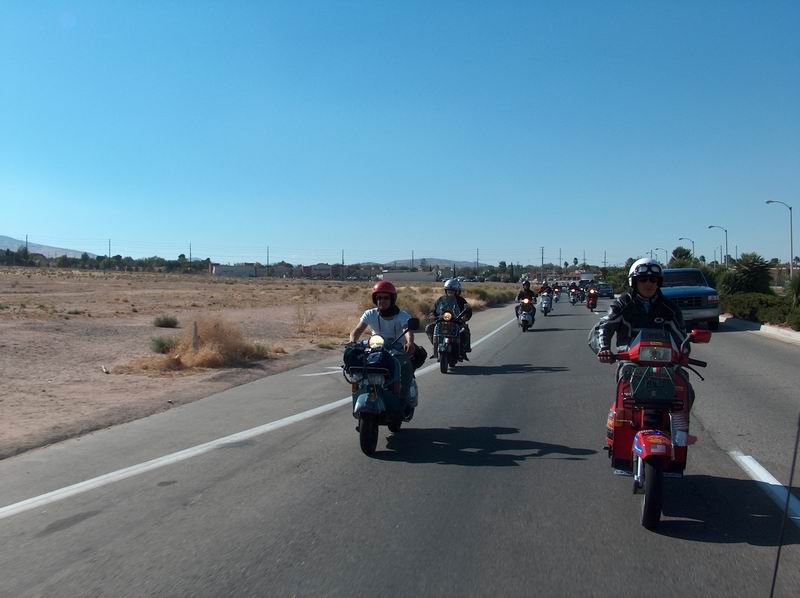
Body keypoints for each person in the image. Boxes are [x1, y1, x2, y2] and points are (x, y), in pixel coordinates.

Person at [588, 258, 694, 404]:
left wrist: (683, 352)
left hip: (665, 363)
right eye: (643, 279)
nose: (648, 284)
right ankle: (620, 417)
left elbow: (681, 337)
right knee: (625, 383)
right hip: (631, 361)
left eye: (653, 279)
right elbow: (604, 327)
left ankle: (680, 420)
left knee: (685, 387)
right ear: (634, 282)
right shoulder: (621, 305)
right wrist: (604, 349)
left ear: (658, 282)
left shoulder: (670, 308)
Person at [349, 281, 427, 370]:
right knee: (358, 366)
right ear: (375, 299)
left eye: (386, 298)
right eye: (379, 298)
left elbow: (407, 330)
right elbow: (358, 330)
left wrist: (410, 342)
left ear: (392, 299)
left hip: (399, 351)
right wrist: (352, 341)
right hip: (376, 348)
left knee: (404, 371)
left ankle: (407, 378)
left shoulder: (402, 315)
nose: (382, 301)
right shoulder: (370, 314)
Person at [426, 278, 472, 360]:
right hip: (441, 321)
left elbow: (468, 310)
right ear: (445, 290)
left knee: (464, 331)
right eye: (448, 290)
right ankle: (437, 347)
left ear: (457, 291)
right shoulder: (440, 300)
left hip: (457, 321)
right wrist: (432, 315)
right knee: (429, 328)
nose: (450, 291)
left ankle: (463, 351)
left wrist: (465, 316)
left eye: (452, 290)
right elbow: (433, 310)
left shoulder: (461, 300)